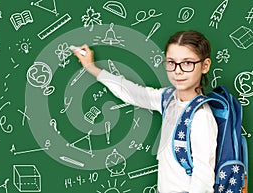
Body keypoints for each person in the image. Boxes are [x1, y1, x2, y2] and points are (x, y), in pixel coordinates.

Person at [73, 30, 217, 193]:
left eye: (187, 63)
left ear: (205, 66)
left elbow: (203, 179)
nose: (177, 71)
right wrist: (92, 68)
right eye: (171, 62)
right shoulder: (168, 99)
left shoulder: (201, 116)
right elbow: (133, 93)